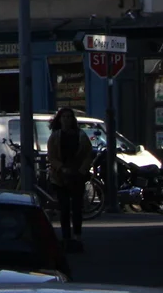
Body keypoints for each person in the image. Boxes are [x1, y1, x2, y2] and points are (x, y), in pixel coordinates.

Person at [46, 107, 96, 250]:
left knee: (76, 208)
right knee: (64, 208)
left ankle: (77, 236)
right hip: (60, 177)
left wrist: (82, 170)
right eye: (64, 117)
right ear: (59, 120)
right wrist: (61, 168)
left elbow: (88, 154)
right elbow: (52, 156)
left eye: (69, 117)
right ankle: (66, 237)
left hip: (77, 176)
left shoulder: (81, 135)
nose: (67, 120)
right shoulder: (55, 137)